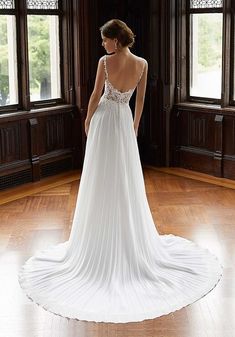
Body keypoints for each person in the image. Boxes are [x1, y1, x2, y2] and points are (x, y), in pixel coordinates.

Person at [18, 19, 223, 324]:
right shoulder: (142, 63)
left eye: (104, 40)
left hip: (104, 122)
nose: (102, 45)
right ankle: (123, 231)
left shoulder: (105, 62)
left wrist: (87, 120)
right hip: (124, 122)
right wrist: (135, 126)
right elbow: (140, 100)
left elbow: (95, 95)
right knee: (124, 180)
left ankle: (98, 231)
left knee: (100, 178)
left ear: (115, 40)